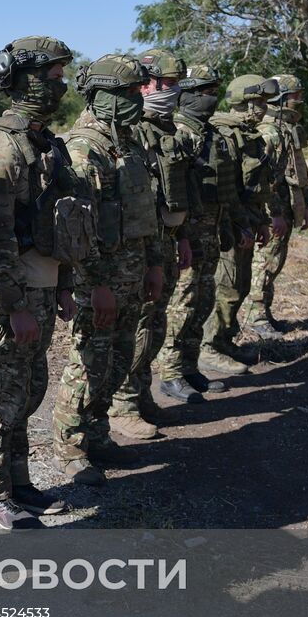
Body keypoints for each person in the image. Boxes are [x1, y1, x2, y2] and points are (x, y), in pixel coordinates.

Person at [0, 35, 88, 527]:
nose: (60, 84)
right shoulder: (2, 143)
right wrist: (10, 303)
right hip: (13, 290)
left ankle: (18, 482)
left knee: (30, 386)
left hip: (42, 282)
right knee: (2, 394)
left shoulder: (43, 139)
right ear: (24, 80)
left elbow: (62, 221)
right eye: (52, 75)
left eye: (63, 75)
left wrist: (64, 285)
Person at [50, 54, 165, 486]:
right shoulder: (84, 148)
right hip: (101, 281)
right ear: (103, 96)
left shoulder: (130, 143)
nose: (139, 98)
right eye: (129, 92)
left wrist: (154, 264)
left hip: (133, 274)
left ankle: (97, 433)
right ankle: (70, 444)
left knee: (119, 361)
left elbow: (147, 210)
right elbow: (78, 232)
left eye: (140, 91)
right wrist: (94, 285)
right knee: (89, 362)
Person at [108, 50, 194, 439]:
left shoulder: (167, 129)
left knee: (154, 326)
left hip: (165, 243)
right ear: (146, 86)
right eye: (168, 84)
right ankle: (123, 403)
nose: (174, 91)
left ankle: (140, 394)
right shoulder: (133, 129)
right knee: (139, 327)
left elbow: (176, 192)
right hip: (140, 247)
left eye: (177, 84)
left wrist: (183, 237)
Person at [156, 64, 250, 400]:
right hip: (186, 235)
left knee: (203, 302)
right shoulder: (177, 133)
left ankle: (189, 367)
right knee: (182, 303)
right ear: (188, 94)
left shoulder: (213, 134)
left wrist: (236, 223)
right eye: (205, 91)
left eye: (214, 91)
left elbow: (228, 187)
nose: (211, 97)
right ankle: (169, 373)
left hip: (213, 231)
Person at [201, 75, 277, 375]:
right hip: (229, 226)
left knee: (241, 285)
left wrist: (259, 221)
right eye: (257, 102)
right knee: (226, 287)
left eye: (264, 103)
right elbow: (226, 190)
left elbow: (255, 187)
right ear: (243, 102)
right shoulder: (223, 133)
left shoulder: (248, 134)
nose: (262, 108)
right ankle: (208, 347)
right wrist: (237, 225)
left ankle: (224, 341)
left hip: (246, 221)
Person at [244, 73, 308, 338]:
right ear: (282, 99)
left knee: (275, 261)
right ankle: (256, 316)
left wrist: (305, 205)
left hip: (287, 207)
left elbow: (298, 171)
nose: (301, 101)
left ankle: (265, 311)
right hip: (273, 212)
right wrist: (273, 214)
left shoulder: (287, 128)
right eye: (297, 97)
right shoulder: (268, 131)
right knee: (265, 262)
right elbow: (263, 178)